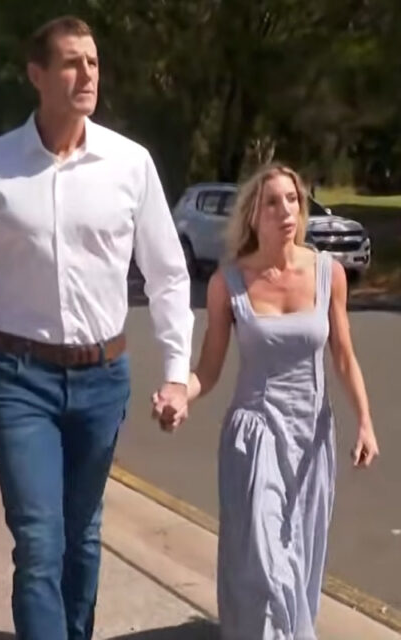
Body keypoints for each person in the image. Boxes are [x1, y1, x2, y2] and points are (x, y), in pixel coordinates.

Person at [0, 15, 194, 640]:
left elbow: (168, 275)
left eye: (93, 63)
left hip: (104, 380)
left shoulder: (130, 165)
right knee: (39, 542)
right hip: (21, 381)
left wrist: (176, 374)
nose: (87, 75)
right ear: (37, 75)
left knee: (82, 536)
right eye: (72, 63)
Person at [153, 163, 379, 639]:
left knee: (298, 554)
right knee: (262, 559)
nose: (285, 211)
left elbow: (343, 355)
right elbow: (208, 369)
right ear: (253, 215)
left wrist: (365, 421)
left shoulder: (328, 274)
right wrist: (179, 394)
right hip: (254, 436)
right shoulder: (229, 282)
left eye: (292, 199)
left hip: (311, 437)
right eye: (272, 202)